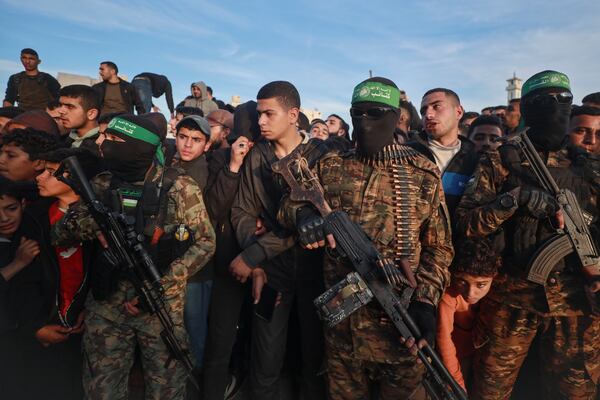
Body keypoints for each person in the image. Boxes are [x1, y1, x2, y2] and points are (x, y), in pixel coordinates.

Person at [278, 77, 454, 399]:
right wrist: (303, 217)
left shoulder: (421, 173)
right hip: (342, 330)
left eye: (375, 114)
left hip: (400, 326)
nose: (364, 122)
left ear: (396, 117)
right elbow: (289, 205)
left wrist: (426, 302)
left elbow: (439, 247)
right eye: (357, 114)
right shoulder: (330, 164)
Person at [455, 70, 600, 399]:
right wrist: (512, 201)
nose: (557, 109)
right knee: (491, 390)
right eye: (546, 102)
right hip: (511, 298)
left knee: (575, 393)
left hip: (577, 301)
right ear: (530, 108)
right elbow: (466, 223)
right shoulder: (501, 159)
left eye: (564, 101)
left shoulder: (589, 165)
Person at [51, 114, 216, 400]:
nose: (105, 145)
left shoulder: (179, 186)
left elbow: (205, 242)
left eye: (115, 140)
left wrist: (162, 285)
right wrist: (93, 223)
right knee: (101, 388)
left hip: (158, 305)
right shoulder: (101, 184)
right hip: (107, 305)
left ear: (139, 147)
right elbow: (60, 234)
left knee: (166, 388)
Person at [230, 81, 328, 400]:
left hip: (317, 274)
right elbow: (242, 211)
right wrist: (255, 261)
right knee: (266, 355)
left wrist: (254, 255)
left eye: (269, 114)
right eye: (259, 114)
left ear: (293, 115)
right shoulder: (258, 155)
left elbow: (313, 224)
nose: (261, 121)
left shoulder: (322, 156)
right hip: (272, 274)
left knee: (314, 357)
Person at [203, 101, 260, 400]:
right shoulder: (220, 158)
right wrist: (234, 166)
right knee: (220, 338)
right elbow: (213, 208)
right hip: (227, 262)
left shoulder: (270, 158)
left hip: (265, 262)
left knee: (260, 341)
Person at [436, 238, 500, 393]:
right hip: (456, 358)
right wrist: (457, 382)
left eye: (481, 285)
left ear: (494, 277)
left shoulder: (501, 292)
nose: (471, 293)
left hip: (485, 357)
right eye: (463, 282)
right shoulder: (449, 296)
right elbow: (444, 339)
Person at [409, 88, 479, 217]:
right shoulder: (407, 154)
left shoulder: (476, 158)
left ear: (458, 112)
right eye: (423, 111)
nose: (428, 115)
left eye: (437, 107)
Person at [58, 84, 101, 153]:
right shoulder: (66, 137)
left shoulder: (101, 147)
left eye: (70, 107)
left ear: (91, 114)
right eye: (60, 105)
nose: (61, 111)